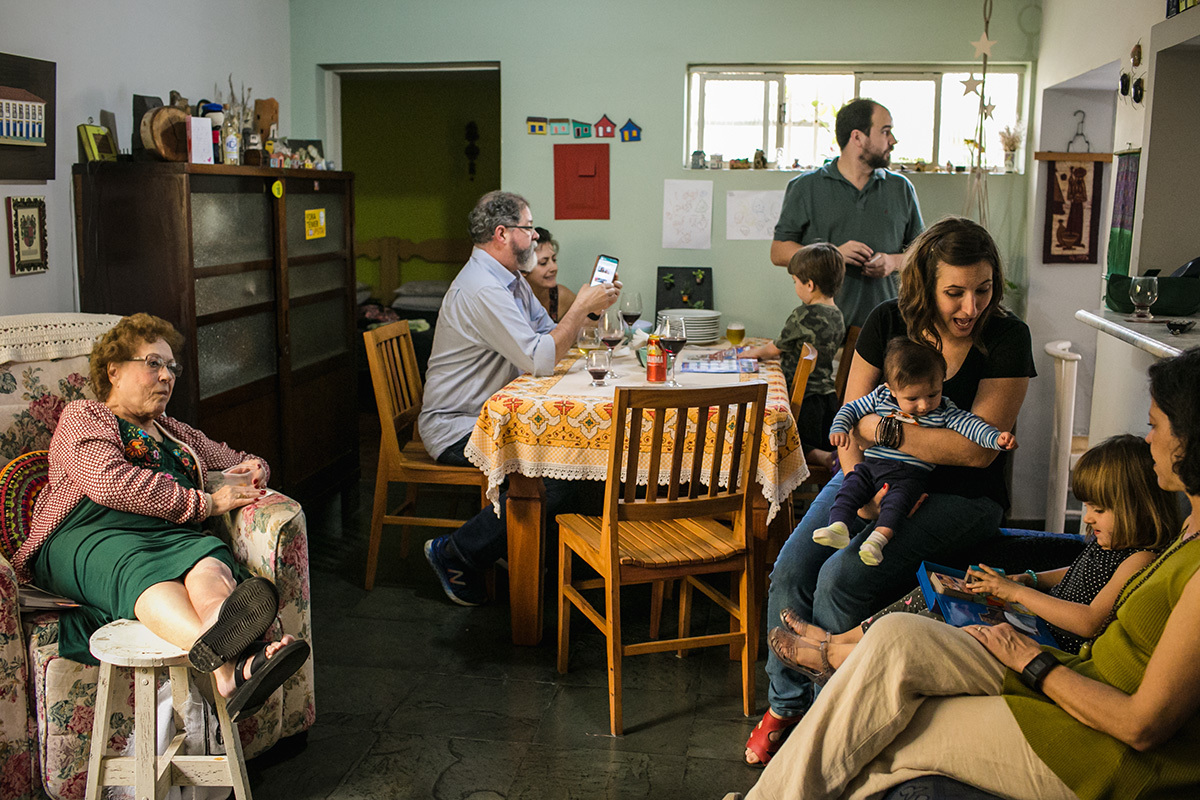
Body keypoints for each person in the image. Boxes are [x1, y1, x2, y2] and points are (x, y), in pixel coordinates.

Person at [729, 346, 1200, 800]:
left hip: (1100, 744)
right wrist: (1026, 585)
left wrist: (1029, 659)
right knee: (897, 636)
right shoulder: (1186, 527)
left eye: (1154, 425)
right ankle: (832, 660)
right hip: (1080, 675)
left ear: (1192, 442)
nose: (1147, 439)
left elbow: (1141, 725)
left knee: (881, 734)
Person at [745, 216, 1036, 766]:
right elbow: (848, 420)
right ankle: (786, 706)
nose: (970, 307)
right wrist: (865, 493)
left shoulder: (1007, 337)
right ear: (926, 282)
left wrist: (890, 431)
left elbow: (977, 452)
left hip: (965, 497)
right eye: (955, 292)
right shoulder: (886, 320)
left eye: (983, 289)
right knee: (791, 568)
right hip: (867, 479)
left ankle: (831, 721)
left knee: (841, 577)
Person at [15, 313, 310, 722]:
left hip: (169, 532)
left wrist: (251, 470)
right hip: (90, 531)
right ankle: (237, 666)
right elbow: (108, 483)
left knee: (209, 560)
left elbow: (242, 460)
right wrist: (205, 503)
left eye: (172, 367)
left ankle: (224, 641)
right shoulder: (85, 416)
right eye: (153, 363)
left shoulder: (174, 431)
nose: (166, 376)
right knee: (146, 570)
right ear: (114, 371)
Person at [769, 433, 1180, 689]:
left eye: (1099, 509)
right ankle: (836, 640)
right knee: (931, 595)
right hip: (1033, 618)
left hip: (1048, 643)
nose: (1087, 518)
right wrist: (1029, 577)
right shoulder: (1108, 544)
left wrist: (1015, 592)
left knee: (937, 623)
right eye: (1087, 506)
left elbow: (1089, 619)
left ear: (1136, 506)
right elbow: (1078, 573)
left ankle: (832, 657)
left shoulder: (1140, 558)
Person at [419, 190, 619, 606]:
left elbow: (550, 336)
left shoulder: (509, 281)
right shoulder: (483, 289)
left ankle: (548, 565)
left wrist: (588, 310)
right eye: (529, 229)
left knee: (580, 463)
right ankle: (457, 552)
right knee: (557, 474)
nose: (534, 236)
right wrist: (579, 306)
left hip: (493, 414)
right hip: (458, 424)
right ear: (503, 233)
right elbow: (542, 358)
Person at [813, 337, 1017, 567]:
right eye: (912, 398)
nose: (923, 405)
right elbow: (850, 409)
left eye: (932, 394)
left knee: (898, 504)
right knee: (850, 486)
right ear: (892, 390)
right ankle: (838, 525)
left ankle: (877, 541)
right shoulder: (881, 397)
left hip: (909, 475)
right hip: (872, 466)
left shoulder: (944, 410)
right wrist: (839, 427)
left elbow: (971, 426)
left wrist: (996, 438)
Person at [770, 97, 924, 328]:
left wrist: (893, 261)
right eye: (885, 131)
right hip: (824, 336)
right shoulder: (805, 187)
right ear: (857, 137)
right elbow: (778, 252)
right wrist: (832, 256)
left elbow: (924, 254)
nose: (892, 141)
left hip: (889, 333)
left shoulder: (901, 188)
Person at [741, 243, 845, 470]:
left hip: (805, 396)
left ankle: (827, 460)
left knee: (793, 444)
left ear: (809, 285)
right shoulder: (837, 315)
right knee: (815, 441)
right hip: (827, 398)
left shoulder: (803, 315)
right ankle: (832, 458)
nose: (795, 286)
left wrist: (753, 353)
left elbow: (775, 348)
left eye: (795, 281)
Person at [523, 226, 577, 322]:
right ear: (523, 268)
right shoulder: (512, 299)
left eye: (554, 260)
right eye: (543, 263)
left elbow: (591, 328)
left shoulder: (561, 296)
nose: (554, 268)